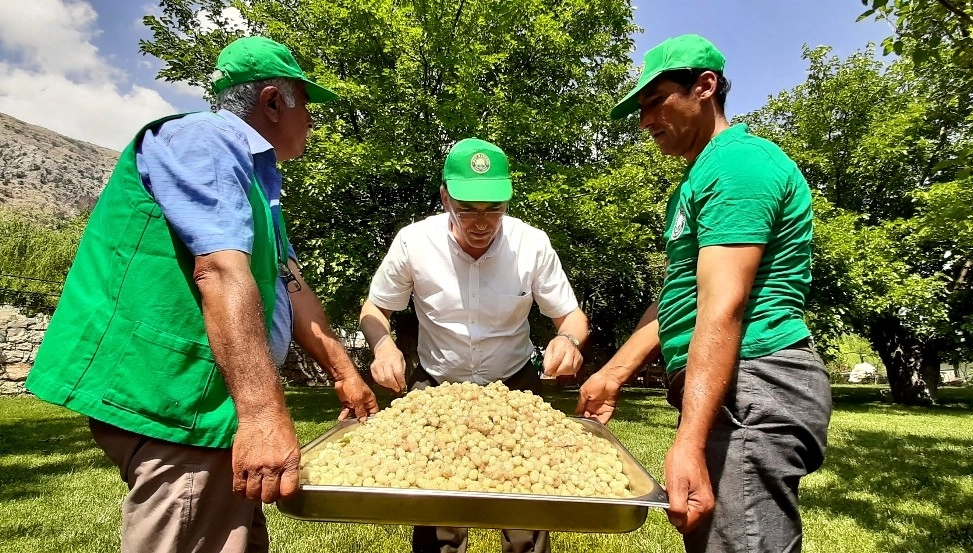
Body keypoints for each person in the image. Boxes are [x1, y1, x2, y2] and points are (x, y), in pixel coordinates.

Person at [25, 36, 379, 552]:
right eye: (306, 104)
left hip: (207, 406)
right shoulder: (205, 140)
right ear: (274, 102)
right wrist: (261, 416)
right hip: (180, 405)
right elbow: (218, 268)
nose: (313, 121)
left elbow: (290, 284)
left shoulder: (260, 182)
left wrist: (345, 374)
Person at [576, 34, 832, 553]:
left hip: (752, 382)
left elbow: (725, 304)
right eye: (640, 110)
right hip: (729, 384)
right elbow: (680, 294)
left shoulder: (738, 165)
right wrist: (613, 373)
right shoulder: (694, 183)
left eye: (656, 102)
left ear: (705, 87)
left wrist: (688, 442)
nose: (646, 121)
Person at [359, 137, 589, 553]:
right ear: (445, 197)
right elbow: (374, 309)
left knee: (525, 510)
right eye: (467, 210)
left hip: (514, 389)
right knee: (438, 509)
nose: (481, 223)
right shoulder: (415, 242)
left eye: (493, 210)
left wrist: (568, 339)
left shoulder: (531, 244)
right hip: (437, 390)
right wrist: (383, 346)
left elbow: (571, 316)